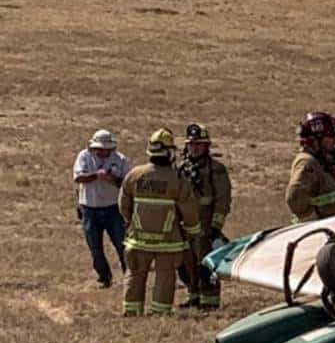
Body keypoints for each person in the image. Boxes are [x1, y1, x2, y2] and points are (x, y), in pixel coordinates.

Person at [119, 128, 201, 316]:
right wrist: (192, 232)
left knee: (135, 274)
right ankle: (160, 313)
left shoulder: (134, 175)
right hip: (168, 242)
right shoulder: (177, 179)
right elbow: (189, 212)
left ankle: (131, 311)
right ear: (169, 152)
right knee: (165, 276)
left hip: (137, 240)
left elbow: (124, 206)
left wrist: (132, 223)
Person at [176, 123, 232, 309]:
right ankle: (193, 295)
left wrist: (215, 227)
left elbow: (223, 199)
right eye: (191, 144)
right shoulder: (182, 169)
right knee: (186, 264)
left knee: (206, 264)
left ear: (207, 146)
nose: (195, 148)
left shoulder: (215, 169)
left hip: (205, 227)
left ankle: (210, 301)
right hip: (185, 227)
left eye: (199, 144)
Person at [72, 129, 131, 288]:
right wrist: (96, 175)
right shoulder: (84, 156)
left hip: (113, 209)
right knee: (95, 247)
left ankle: (129, 277)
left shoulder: (121, 160)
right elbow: (78, 177)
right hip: (89, 208)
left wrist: (112, 178)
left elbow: (127, 184)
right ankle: (104, 278)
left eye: (105, 149)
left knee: (122, 244)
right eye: (99, 148)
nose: (102, 152)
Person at [286, 112, 335, 223]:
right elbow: (294, 198)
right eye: (330, 135)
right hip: (317, 232)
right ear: (317, 139)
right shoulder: (307, 162)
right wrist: (313, 222)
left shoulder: (321, 162)